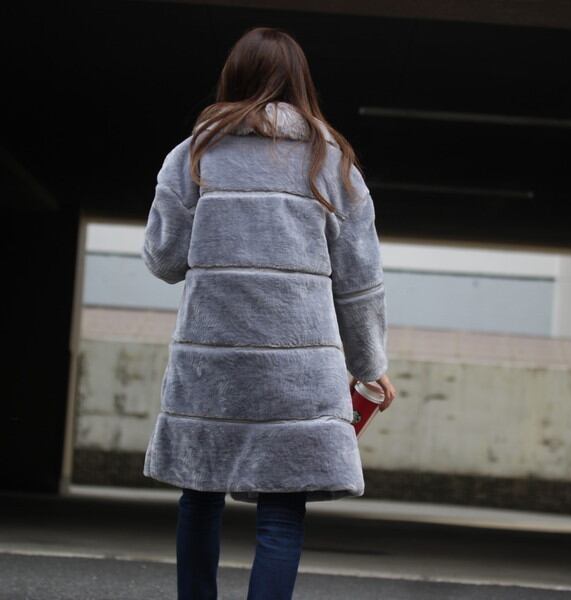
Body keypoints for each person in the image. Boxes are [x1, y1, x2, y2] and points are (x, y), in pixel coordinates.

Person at [141, 25, 396, 600]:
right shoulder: (332, 163)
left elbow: (164, 260)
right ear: (301, 83)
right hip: (297, 373)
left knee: (199, 497)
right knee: (281, 513)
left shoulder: (193, 155)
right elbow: (359, 282)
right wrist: (369, 364)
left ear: (232, 78)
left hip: (212, 366)